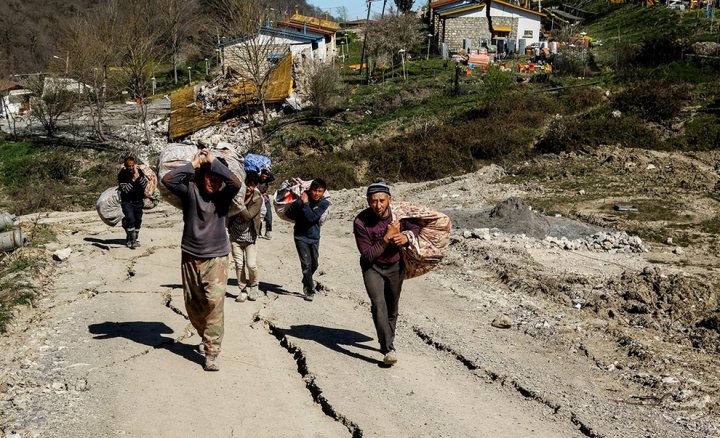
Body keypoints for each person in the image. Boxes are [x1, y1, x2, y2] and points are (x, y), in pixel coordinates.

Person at [161, 149, 241, 371]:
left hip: (216, 258)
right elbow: (168, 179)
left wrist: (214, 163)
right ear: (201, 176)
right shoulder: (190, 192)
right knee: (193, 305)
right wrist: (194, 164)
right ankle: (205, 336)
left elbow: (235, 183)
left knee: (214, 304)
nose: (214, 183)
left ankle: (212, 352)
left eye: (218, 179)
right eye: (210, 177)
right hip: (190, 255)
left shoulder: (224, 196)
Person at [353, 181, 419, 366]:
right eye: (374, 201)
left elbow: (416, 227)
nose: (378, 205)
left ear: (389, 199)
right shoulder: (360, 222)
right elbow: (367, 255)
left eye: (382, 200)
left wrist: (406, 236)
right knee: (378, 304)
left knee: (392, 307)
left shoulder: (400, 215)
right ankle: (388, 347)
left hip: (395, 266)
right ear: (368, 201)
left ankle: (388, 338)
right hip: (372, 267)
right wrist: (387, 237)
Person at [285, 179, 329, 302]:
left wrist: (305, 205)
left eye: (320, 191)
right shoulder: (301, 201)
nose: (317, 193)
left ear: (323, 192)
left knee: (314, 264)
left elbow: (312, 218)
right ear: (310, 190)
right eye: (315, 190)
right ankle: (309, 290)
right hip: (300, 237)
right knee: (306, 264)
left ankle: (306, 279)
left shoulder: (323, 203)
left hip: (314, 237)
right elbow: (289, 213)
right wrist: (301, 205)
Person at [227, 171, 263, 303]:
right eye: (248, 184)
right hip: (235, 236)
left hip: (250, 237)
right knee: (239, 264)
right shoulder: (236, 195)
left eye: (253, 185)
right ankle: (243, 289)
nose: (250, 188)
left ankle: (254, 285)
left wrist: (239, 205)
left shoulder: (257, 199)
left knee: (251, 265)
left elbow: (248, 216)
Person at [117, 156, 148, 249]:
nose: (131, 168)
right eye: (129, 166)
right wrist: (133, 179)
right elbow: (125, 190)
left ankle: (132, 238)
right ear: (125, 166)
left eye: (132, 166)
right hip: (127, 201)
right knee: (130, 219)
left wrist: (138, 176)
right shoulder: (122, 174)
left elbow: (144, 184)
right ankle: (132, 240)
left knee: (138, 220)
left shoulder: (139, 172)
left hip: (139, 201)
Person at [257, 169, 276, 239]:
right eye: (263, 175)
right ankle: (258, 231)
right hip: (256, 198)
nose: (264, 177)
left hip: (265, 198)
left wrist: (269, 171)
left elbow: (273, 180)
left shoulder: (267, 180)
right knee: (258, 216)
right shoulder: (257, 179)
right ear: (261, 174)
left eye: (266, 176)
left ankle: (268, 231)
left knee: (269, 215)